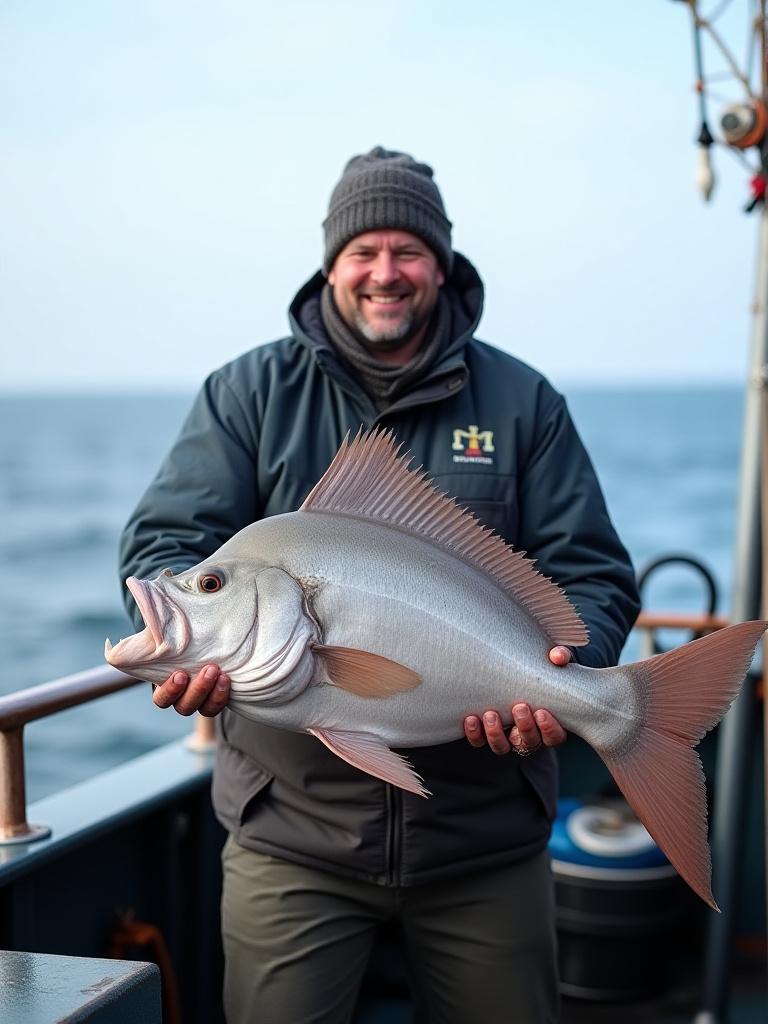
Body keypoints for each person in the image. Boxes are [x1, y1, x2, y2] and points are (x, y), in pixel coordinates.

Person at [120, 147, 640, 1023]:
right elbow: (165, 547)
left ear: (441, 262)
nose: (385, 272)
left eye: (408, 250)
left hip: (485, 840)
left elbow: (589, 569)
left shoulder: (523, 402)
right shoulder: (248, 394)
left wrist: (562, 673)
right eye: (363, 251)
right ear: (331, 264)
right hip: (292, 838)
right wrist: (186, 648)